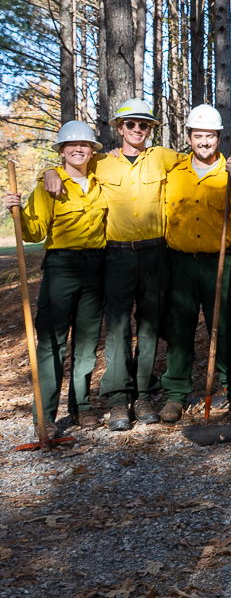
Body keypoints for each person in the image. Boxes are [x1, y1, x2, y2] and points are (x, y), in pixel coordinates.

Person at [45, 98, 186, 430]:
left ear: (151, 129)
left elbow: (202, 161)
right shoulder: (100, 162)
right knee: (119, 328)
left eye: (144, 125)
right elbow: (69, 168)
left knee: (150, 325)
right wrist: (49, 169)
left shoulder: (163, 157)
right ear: (119, 128)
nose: (137, 130)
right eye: (131, 124)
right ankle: (118, 398)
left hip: (155, 253)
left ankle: (144, 394)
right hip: (117, 255)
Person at [5, 122, 107, 434]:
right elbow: (34, 233)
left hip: (97, 265)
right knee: (52, 342)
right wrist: (17, 211)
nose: (79, 149)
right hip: (62, 266)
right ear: (61, 150)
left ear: (92, 151)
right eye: (71, 144)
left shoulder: (100, 179)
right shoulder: (48, 186)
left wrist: (47, 170)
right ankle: (45, 417)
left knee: (88, 342)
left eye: (85, 145)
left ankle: (82, 408)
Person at [159, 104, 231, 422]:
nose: (204, 142)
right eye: (198, 135)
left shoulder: (229, 173)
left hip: (218, 263)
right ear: (189, 137)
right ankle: (175, 395)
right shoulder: (172, 174)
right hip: (180, 263)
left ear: (219, 138)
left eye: (210, 136)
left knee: (226, 326)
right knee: (179, 329)